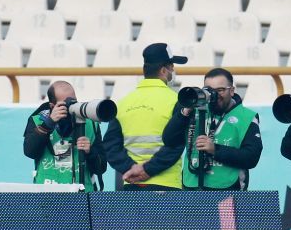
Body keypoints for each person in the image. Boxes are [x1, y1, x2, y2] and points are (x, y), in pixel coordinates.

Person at [103, 43, 186, 191]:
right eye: (172, 67)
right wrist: (147, 170)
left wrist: (132, 169)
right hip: (167, 185)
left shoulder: (122, 103)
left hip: (132, 183)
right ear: (163, 70)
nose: (173, 70)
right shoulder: (176, 101)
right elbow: (175, 146)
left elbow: (111, 147)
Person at [163, 68, 262, 190]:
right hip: (191, 187)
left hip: (229, 191)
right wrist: (185, 111)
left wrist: (215, 150)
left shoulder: (246, 117)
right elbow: (169, 140)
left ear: (231, 91)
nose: (214, 95)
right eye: (209, 90)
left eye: (220, 90)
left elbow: (251, 157)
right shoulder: (193, 111)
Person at [23, 80, 106, 191]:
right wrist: (48, 124)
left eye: (73, 102)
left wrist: (90, 152)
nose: (70, 106)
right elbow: (30, 152)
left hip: (81, 194)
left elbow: (101, 168)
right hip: (47, 195)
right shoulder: (38, 121)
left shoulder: (91, 124)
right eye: (65, 103)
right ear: (52, 106)